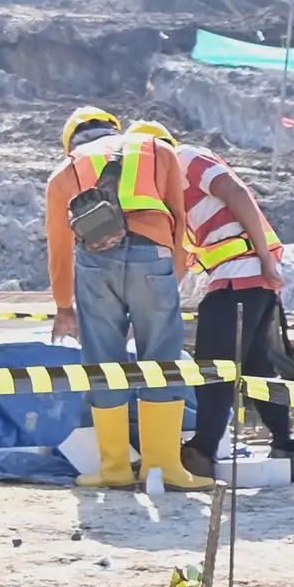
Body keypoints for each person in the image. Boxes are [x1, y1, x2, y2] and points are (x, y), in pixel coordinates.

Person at [42, 104, 191, 489]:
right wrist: (169, 277)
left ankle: (115, 470)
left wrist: (63, 307)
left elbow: (59, 247)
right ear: (113, 128)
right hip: (154, 255)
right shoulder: (155, 148)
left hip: (95, 264)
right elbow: (179, 217)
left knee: (104, 363)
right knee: (161, 359)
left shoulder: (65, 171)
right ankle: (164, 468)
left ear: (70, 141)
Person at [169, 130, 294, 483]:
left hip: (242, 275)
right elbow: (184, 253)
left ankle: (202, 451)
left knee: (214, 367)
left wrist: (265, 259)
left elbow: (236, 192)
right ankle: (286, 446)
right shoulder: (173, 189)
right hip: (243, 277)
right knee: (258, 368)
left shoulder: (183, 158)